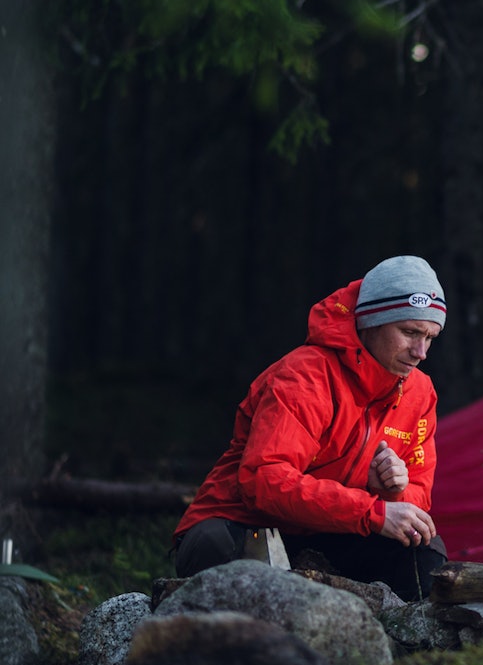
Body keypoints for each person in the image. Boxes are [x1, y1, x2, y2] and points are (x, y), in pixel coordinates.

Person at [172, 255, 449, 600]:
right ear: (370, 322)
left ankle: (406, 646)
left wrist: (392, 493)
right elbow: (265, 479)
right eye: (409, 332)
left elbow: (417, 498)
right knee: (215, 546)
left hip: (334, 530)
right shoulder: (304, 377)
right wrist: (371, 511)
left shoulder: (420, 393)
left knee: (424, 548)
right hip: (247, 523)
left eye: (430, 337)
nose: (420, 351)